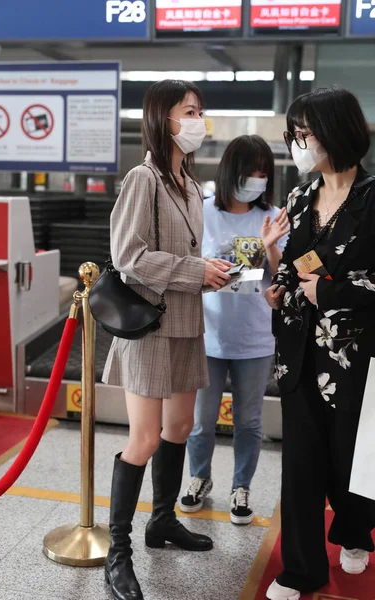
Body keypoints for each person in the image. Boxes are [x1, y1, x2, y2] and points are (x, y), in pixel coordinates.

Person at [101, 79, 232, 600]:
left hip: (186, 324)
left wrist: (213, 270)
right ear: (163, 119)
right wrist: (195, 271)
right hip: (151, 327)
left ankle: (161, 522)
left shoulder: (189, 184)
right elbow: (129, 256)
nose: (198, 120)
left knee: (179, 428)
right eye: (190, 111)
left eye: (199, 111)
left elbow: (188, 257)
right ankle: (119, 552)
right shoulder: (144, 179)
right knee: (146, 438)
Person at [265, 87, 375, 600]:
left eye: (303, 133)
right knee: (302, 463)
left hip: (357, 356)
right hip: (301, 350)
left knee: (352, 458)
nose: (296, 143)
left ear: (336, 131)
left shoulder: (373, 198)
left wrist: (328, 290)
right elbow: (292, 268)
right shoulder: (299, 197)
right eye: (293, 134)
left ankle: (355, 532)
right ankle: (301, 569)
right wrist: (276, 284)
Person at [179, 135, 289, 524]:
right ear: (230, 172)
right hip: (207, 334)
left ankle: (241, 487)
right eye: (250, 172)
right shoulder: (201, 212)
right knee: (199, 420)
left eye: (263, 173)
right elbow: (191, 268)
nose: (257, 180)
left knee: (249, 420)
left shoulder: (273, 216)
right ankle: (198, 478)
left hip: (255, 337)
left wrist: (270, 244)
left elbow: (279, 275)